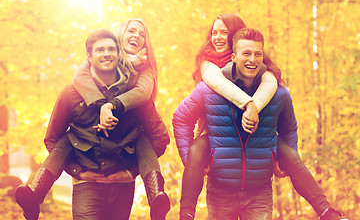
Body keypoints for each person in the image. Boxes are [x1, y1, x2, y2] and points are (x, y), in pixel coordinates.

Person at [175, 14, 344, 220]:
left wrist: (280, 160)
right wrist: (191, 162)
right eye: (246, 53)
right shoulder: (209, 86)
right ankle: (186, 214)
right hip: (221, 189)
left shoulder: (277, 91)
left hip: (259, 190)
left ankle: (327, 212)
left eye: (258, 54)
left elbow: (289, 129)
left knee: (284, 147)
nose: (252, 60)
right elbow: (181, 118)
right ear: (234, 55)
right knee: (198, 146)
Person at [15, 29, 170, 220]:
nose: (106, 54)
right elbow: (52, 139)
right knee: (66, 139)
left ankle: (156, 197)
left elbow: (161, 137)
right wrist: (77, 171)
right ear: (89, 57)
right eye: (100, 50)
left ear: (119, 54)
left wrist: (130, 172)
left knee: (142, 138)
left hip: (122, 185)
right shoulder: (71, 93)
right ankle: (34, 194)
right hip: (86, 185)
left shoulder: (135, 94)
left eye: (111, 49)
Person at [72, 18, 170, 219]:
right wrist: (101, 105)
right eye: (131, 31)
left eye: (142, 34)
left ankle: (156, 196)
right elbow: (78, 77)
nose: (136, 36)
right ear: (120, 36)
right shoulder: (100, 56)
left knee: (143, 142)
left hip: (128, 145)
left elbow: (143, 92)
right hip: (89, 171)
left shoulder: (145, 66)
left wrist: (130, 172)